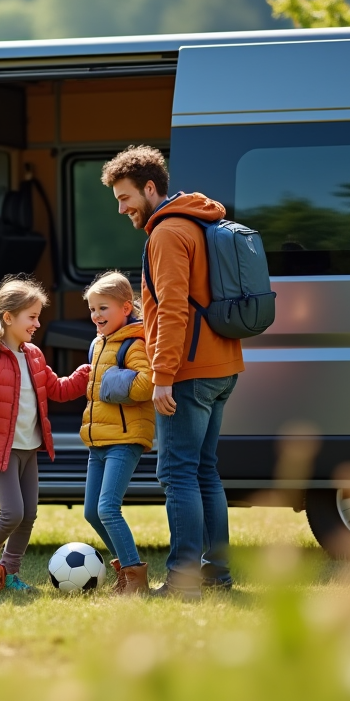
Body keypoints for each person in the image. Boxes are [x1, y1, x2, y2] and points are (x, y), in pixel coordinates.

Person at [101, 145, 244, 600]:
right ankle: (215, 574)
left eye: (125, 198)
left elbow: (173, 309)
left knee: (177, 473)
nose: (122, 209)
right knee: (205, 471)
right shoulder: (200, 221)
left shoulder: (166, 233)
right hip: (222, 364)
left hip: (188, 371)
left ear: (149, 188)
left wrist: (162, 375)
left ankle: (183, 580)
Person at [0, 277, 90, 591]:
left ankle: (9, 573)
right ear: (8, 317)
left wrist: (86, 373)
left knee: (28, 516)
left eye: (38, 317)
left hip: (29, 448)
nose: (37, 324)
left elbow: (58, 389)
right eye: (32, 317)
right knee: (12, 513)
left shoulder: (34, 355)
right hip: (0, 450)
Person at [79, 270, 155, 595]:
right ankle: (126, 570)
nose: (96, 315)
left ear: (126, 307)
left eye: (103, 308)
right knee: (92, 513)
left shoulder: (135, 342)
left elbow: (147, 383)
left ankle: (135, 583)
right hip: (99, 440)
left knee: (108, 508)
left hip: (124, 440)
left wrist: (112, 380)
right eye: (92, 309)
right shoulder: (99, 344)